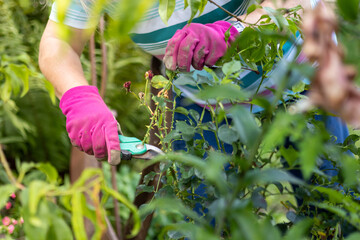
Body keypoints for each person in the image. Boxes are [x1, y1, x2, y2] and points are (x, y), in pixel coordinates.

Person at [39, 0, 319, 165]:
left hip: (300, 84)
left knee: (328, 198)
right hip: (202, 106)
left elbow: (293, 4)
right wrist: (79, 99)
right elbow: (58, 42)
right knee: (203, 216)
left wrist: (234, 33)